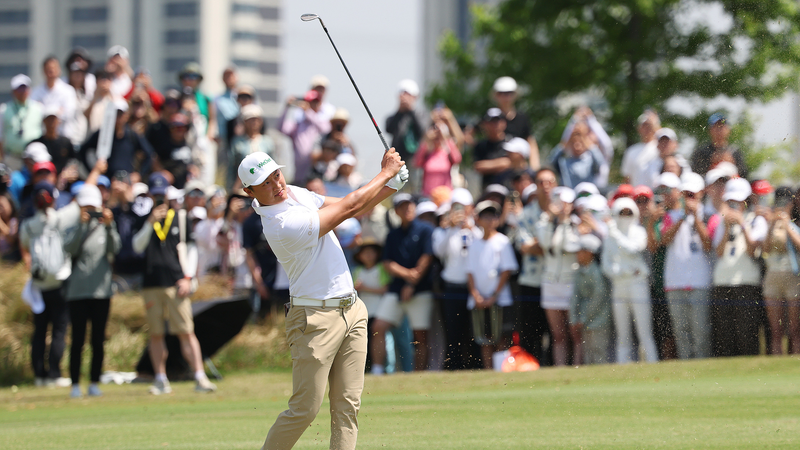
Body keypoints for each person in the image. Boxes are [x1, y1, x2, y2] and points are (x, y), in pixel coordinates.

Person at [239, 144, 407, 449]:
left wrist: (391, 186)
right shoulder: (280, 226)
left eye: (276, 175)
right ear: (250, 192)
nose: (276, 185)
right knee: (305, 409)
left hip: (352, 310)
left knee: (348, 406)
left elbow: (351, 204)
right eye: (265, 183)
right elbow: (348, 209)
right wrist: (385, 173)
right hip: (314, 320)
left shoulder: (294, 193)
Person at [131, 172, 217, 394]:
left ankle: (199, 376)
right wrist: (150, 223)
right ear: (150, 195)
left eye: (162, 194)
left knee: (186, 331)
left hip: (176, 282)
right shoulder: (143, 218)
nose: (160, 199)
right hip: (151, 283)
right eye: (156, 195)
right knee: (156, 334)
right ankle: (161, 379)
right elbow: (137, 246)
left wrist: (188, 277)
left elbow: (191, 249)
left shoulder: (180, 217)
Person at [19, 173, 86, 387]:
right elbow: (81, 200)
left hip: (39, 284)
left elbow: (24, 244)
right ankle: (54, 374)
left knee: (39, 331)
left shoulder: (28, 225)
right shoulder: (59, 218)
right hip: (60, 282)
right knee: (59, 329)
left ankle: (39, 375)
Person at [64, 184, 121, 398]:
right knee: (77, 340)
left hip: (101, 292)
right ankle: (75, 383)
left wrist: (110, 226)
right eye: (85, 207)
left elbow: (115, 249)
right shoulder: (74, 226)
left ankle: (94, 381)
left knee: (98, 340)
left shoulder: (105, 227)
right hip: (77, 292)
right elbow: (69, 249)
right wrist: (81, 226)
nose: (89, 211)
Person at [372, 194, 435, 373]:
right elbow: (387, 263)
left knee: (420, 335)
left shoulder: (426, 229)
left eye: (410, 205)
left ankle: (419, 374)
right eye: (402, 206)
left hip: (421, 290)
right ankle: (377, 370)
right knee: (378, 327)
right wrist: (408, 276)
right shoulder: (393, 235)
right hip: (396, 290)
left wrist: (412, 283)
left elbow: (428, 257)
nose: (407, 209)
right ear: (396, 211)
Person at [708, 178, 766, 357]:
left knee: (746, 334)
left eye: (737, 201)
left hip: (747, 283)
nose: (734, 205)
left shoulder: (756, 220)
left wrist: (742, 223)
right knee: (725, 336)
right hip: (722, 282)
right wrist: (726, 228)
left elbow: (752, 250)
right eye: (730, 201)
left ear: (746, 201)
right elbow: (719, 252)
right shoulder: (722, 222)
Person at [661, 173, 713, 359]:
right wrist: (683, 216)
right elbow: (665, 240)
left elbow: (708, 245)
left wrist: (696, 218)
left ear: (701, 193)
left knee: (701, 331)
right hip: (675, 281)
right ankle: (686, 368)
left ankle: (702, 367)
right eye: (686, 194)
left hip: (700, 281)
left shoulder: (708, 215)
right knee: (681, 331)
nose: (689, 198)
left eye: (692, 194)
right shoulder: (671, 216)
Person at [602, 197, 659, 364]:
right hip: (619, 285)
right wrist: (621, 271)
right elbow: (606, 264)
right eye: (622, 213)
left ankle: (652, 363)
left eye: (628, 213)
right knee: (623, 334)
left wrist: (615, 235)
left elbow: (634, 250)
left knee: (644, 331)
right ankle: (623, 367)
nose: (625, 216)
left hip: (637, 284)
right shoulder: (610, 236)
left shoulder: (638, 232)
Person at [466, 200, 519, 369]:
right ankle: (489, 371)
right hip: (479, 300)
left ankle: (500, 370)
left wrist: (494, 296)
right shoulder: (474, 244)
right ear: (478, 219)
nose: (490, 220)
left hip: (500, 300)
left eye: (493, 216)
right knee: (484, 339)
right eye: (486, 216)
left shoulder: (502, 241)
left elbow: (506, 271)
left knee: (501, 338)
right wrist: (476, 296)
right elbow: (469, 272)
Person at [432, 188, 481, 370]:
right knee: (453, 332)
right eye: (456, 206)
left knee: (474, 332)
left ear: (470, 208)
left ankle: (476, 367)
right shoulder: (443, 231)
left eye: (463, 206)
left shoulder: (477, 230)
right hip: (452, 288)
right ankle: (454, 367)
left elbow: (482, 248)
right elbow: (439, 252)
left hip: (474, 288)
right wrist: (451, 228)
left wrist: (471, 228)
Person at [514, 168, 555, 364]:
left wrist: (539, 243)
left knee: (556, 333)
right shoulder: (526, 214)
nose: (545, 186)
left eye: (550, 182)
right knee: (530, 333)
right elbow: (524, 247)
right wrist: (549, 244)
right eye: (541, 182)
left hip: (557, 280)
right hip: (532, 281)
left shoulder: (562, 212)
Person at [536, 186, 581, 366]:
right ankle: (560, 369)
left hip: (571, 283)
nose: (561, 206)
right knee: (558, 335)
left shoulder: (576, 224)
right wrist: (550, 219)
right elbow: (545, 244)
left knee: (575, 334)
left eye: (565, 203)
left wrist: (564, 223)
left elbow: (570, 246)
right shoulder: (545, 222)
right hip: (551, 283)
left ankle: (577, 368)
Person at [762, 187, 800, 354]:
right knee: (776, 331)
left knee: (794, 329)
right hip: (773, 276)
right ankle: (777, 360)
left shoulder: (795, 224)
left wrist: (787, 224)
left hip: (792, 276)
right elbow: (764, 249)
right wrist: (772, 223)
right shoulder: (770, 225)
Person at [79, 100, 153, 179]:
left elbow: (149, 154)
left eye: (120, 113)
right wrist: (93, 171)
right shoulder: (102, 134)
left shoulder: (132, 134)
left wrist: (139, 175)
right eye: (115, 113)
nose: (117, 117)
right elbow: (83, 150)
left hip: (126, 181)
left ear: (126, 115)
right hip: (106, 181)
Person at [569, 233, 611, 365]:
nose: (577, 255)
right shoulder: (579, 272)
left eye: (579, 251)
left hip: (599, 319)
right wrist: (574, 319)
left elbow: (598, 297)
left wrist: (582, 318)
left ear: (589, 252)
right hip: (585, 320)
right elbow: (575, 297)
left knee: (599, 352)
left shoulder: (598, 272)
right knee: (587, 354)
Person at [278, 90, 331, 183]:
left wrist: (308, 112)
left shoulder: (321, 121)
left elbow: (326, 129)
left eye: (316, 102)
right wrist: (287, 108)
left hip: (318, 176)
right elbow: (281, 129)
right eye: (310, 102)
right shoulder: (298, 124)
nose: (313, 105)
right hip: (300, 176)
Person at [492, 76, 540, 170]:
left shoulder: (522, 118)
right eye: (501, 93)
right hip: (497, 168)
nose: (506, 97)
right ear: (496, 95)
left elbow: (530, 142)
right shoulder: (490, 118)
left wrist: (534, 167)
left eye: (509, 93)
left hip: (519, 167)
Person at [30, 56, 79, 145]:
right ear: (43, 71)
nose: (51, 71)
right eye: (48, 69)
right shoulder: (36, 92)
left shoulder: (68, 90)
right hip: (44, 139)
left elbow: (69, 114)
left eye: (54, 68)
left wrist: (46, 112)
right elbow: (34, 114)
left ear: (59, 70)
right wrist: (58, 111)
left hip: (65, 138)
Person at [1, 74, 43, 169]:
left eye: (25, 88)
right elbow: (1, 137)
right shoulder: (4, 110)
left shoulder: (39, 108)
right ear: (13, 92)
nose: (23, 92)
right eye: (19, 89)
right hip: (12, 157)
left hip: (34, 157)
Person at [414, 115, 462, 197]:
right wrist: (426, 140)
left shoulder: (447, 152)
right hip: (428, 196)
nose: (437, 138)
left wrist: (446, 137)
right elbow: (416, 162)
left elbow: (457, 159)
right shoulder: (427, 153)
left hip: (446, 196)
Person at [229, 104, 275, 188]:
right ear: (244, 122)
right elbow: (232, 167)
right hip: (244, 186)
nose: (254, 122)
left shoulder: (267, 141)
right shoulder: (237, 142)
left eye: (257, 119)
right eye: (251, 120)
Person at [550, 120, 606, 189]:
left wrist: (584, 138)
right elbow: (551, 162)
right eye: (574, 143)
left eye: (580, 143)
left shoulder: (590, 161)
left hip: (585, 194)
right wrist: (567, 139)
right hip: (569, 194)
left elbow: (601, 163)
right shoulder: (564, 162)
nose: (577, 146)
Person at [690, 113, 748, 178]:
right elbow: (696, 174)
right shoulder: (702, 152)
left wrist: (732, 163)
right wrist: (710, 163)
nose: (719, 130)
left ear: (728, 130)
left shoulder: (735, 152)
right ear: (710, 130)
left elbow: (744, 175)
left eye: (722, 126)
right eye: (716, 127)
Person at [385, 79, 424, 164]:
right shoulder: (396, 116)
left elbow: (423, 132)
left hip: (415, 158)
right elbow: (389, 129)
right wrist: (399, 111)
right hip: (398, 157)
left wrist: (410, 109)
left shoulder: (420, 114)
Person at [31, 106, 77, 174]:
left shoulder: (66, 142)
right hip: (43, 177)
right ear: (44, 121)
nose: (51, 122)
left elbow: (73, 160)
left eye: (53, 119)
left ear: (59, 121)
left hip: (63, 177)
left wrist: (68, 171)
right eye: (48, 119)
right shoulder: (36, 143)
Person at [473, 108, 511, 189]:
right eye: (491, 122)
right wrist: (502, 163)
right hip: (489, 189)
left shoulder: (512, 143)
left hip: (509, 187)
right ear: (485, 124)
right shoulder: (481, 146)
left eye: (497, 121)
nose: (494, 125)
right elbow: (478, 167)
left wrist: (488, 165)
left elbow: (514, 163)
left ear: (504, 123)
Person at [621, 111, 659, 187]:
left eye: (649, 126)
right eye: (644, 126)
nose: (647, 129)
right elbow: (627, 178)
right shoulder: (631, 151)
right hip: (636, 192)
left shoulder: (660, 148)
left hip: (656, 193)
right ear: (639, 128)